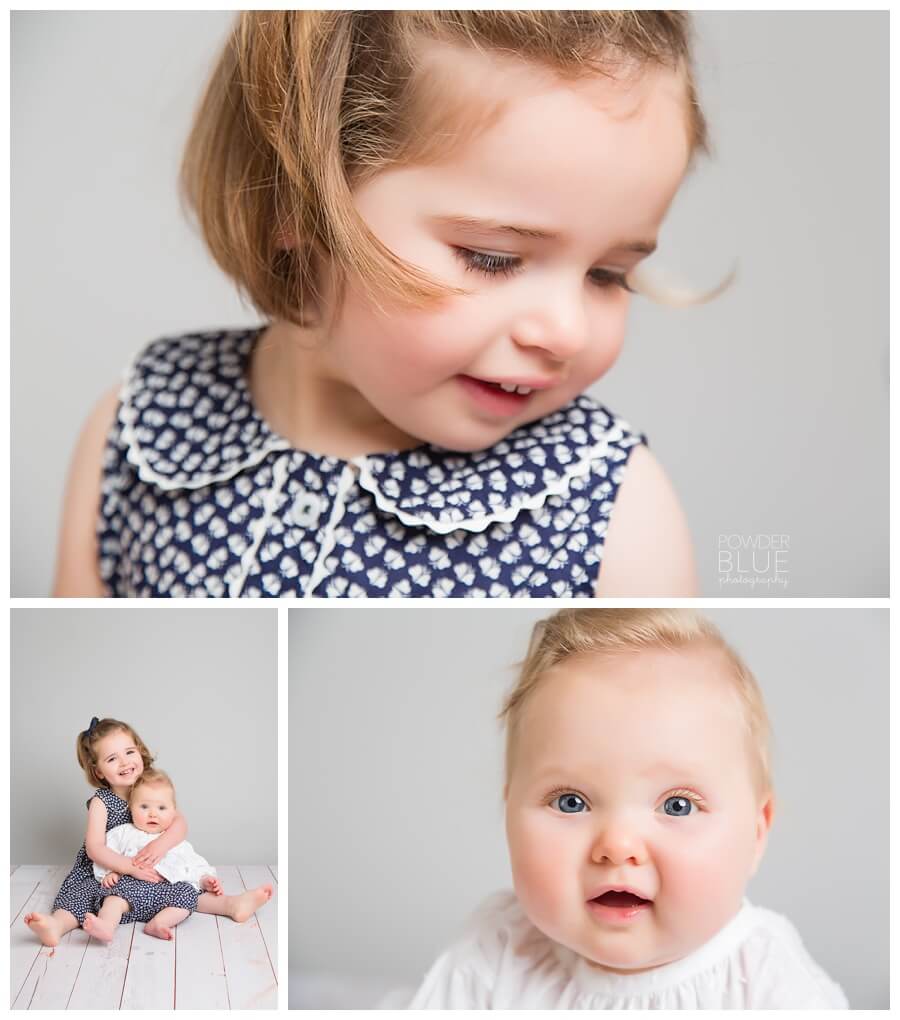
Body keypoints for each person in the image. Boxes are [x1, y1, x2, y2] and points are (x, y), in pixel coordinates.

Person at [54, 12, 710, 598]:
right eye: (492, 258)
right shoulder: (140, 431)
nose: (564, 332)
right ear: (298, 199)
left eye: (607, 274)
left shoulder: (613, 509)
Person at [408, 609, 848, 1008]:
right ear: (508, 816)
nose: (617, 846)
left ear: (756, 833)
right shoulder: (498, 951)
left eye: (677, 806)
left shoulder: (769, 985)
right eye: (571, 802)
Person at [24, 718, 272, 946]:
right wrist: (129, 867)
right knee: (83, 895)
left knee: (181, 886)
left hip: (152, 865)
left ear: (140, 752)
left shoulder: (151, 785)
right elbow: (95, 848)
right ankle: (57, 925)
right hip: (110, 868)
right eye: (112, 759)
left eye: (129, 752)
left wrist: (160, 845)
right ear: (98, 771)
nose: (124, 762)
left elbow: (180, 822)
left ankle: (232, 905)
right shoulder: (102, 801)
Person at [87, 768, 221, 942]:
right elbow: (107, 854)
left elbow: (191, 865)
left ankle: (158, 923)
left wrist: (205, 879)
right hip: (129, 890)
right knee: (112, 899)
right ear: (131, 809)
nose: (152, 813)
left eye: (161, 808)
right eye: (144, 807)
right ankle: (106, 925)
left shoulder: (172, 841)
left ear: (173, 812)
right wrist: (109, 874)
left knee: (188, 896)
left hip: (165, 894)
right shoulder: (123, 833)